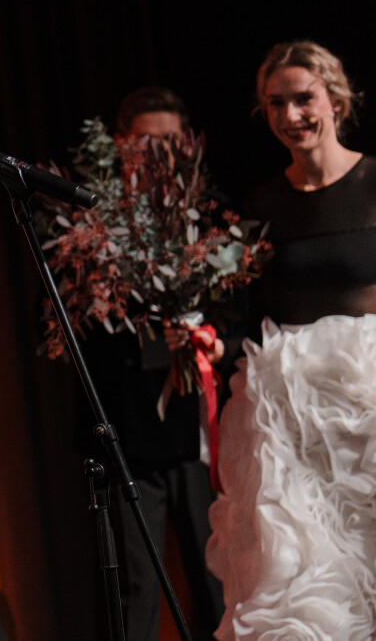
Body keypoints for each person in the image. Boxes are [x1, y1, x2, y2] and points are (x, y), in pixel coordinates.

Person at [206, 41, 376, 639]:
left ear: (335, 99)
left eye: (303, 98)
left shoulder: (374, 182)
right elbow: (247, 309)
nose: (291, 115)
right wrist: (216, 344)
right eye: (275, 103)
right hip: (292, 414)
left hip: (367, 398)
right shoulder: (263, 203)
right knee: (306, 569)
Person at [78, 87, 228, 640]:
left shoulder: (208, 216)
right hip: (127, 436)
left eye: (169, 141)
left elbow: (235, 313)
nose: (158, 154)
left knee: (215, 580)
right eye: (145, 143)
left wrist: (199, 333)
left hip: (198, 435)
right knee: (136, 590)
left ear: (187, 143)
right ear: (121, 146)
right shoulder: (93, 226)